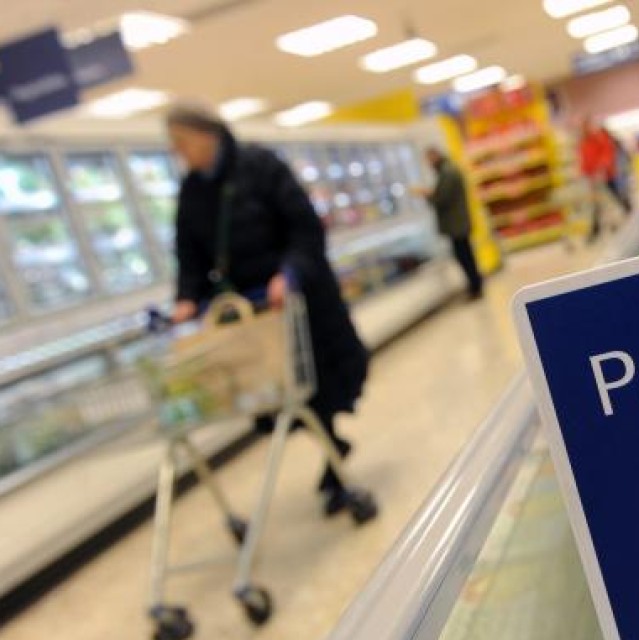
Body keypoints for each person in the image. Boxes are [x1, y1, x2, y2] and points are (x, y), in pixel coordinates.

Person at [166, 101, 377, 521]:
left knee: (317, 386)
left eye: (182, 143)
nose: (179, 153)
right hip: (249, 317)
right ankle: (333, 454)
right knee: (281, 399)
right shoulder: (192, 191)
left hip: (300, 304)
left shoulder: (261, 166)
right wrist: (187, 297)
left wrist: (291, 272)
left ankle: (335, 466)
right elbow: (189, 254)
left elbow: (304, 227)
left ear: (207, 133)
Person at [417, 147, 483, 299]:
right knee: (467, 255)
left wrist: (428, 195)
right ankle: (475, 284)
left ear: (434, 156)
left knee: (464, 257)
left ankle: (475, 286)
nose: (428, 164)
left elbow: (443, 199)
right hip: (458, 222)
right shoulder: (449, 169)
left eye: (428, 159)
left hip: (455, 224)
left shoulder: (446, 172)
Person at [579, 117, 631, 241]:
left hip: (607, 175)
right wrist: (585, 173)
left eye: (587, 126)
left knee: (614, 196)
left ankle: (625, 213)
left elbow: (607, 153)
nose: (585, 129)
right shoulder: (584, 143)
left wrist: (602, 167)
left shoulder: (599, 138)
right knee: (597, 203)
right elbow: (584, 160)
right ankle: (597, 228)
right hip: (594, 178)